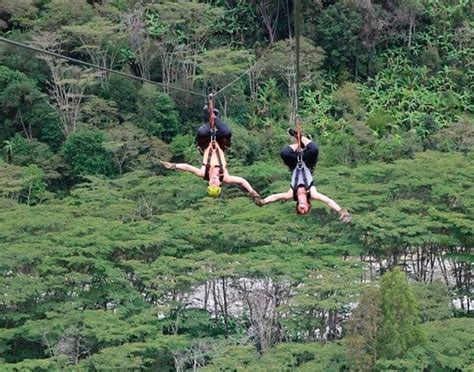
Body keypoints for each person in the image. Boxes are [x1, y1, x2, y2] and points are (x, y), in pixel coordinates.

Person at [160, 107, 260, 200]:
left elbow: (187, 167)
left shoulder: (203, 172)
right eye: (215, 183)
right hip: (220, 142)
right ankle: (214, 117)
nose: (213, 181)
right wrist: (253, 193)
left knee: (201, 132)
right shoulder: (225, 176)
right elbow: (242, 181)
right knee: (227, 132)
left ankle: (211, 116)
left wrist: (173, 165)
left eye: (211, 183)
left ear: (208, 183)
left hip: (206, 142)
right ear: (219, 184)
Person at [255, 129, 352, 222]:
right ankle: (301, 138)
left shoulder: (291, 194)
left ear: (297, 206)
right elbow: (327, 200)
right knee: (314, 149)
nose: (302, 209)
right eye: (304, 210)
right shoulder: (312, 193)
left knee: (284, 153)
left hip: (294, 164)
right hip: (307, 163)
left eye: (300, 210)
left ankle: (299, 144)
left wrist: (264, 201)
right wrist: (340, 211)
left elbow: (275, 197)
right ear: (308, 205)